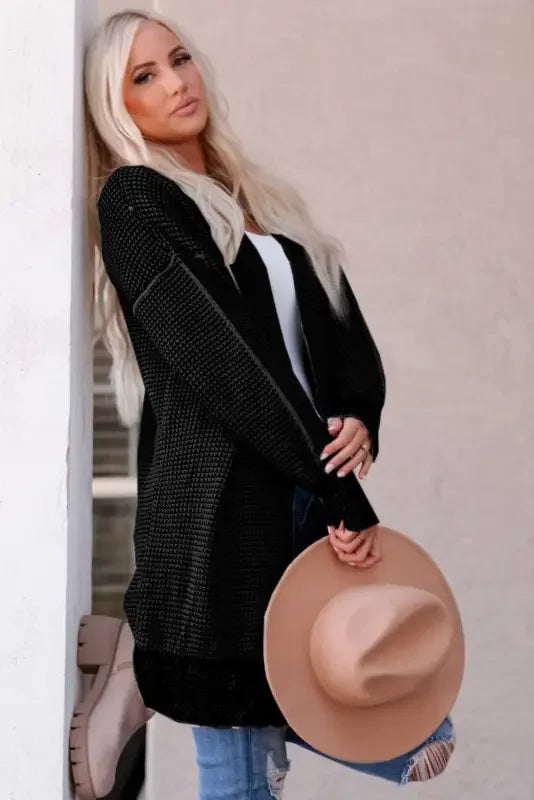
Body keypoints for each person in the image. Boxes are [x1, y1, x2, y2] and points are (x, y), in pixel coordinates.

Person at [83, 9, 455, 797]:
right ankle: (147, 668)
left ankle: (143, 673)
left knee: (405, 721)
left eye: (179, 59)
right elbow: (229, 368)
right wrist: (341, 491)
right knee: (243, 752)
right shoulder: (137, 202)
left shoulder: (260, 201)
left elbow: (341, 327)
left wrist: (359, 413)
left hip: (301, 483)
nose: (177, 82)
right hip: (218, 503)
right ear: (116, 107)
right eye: (143, 77)